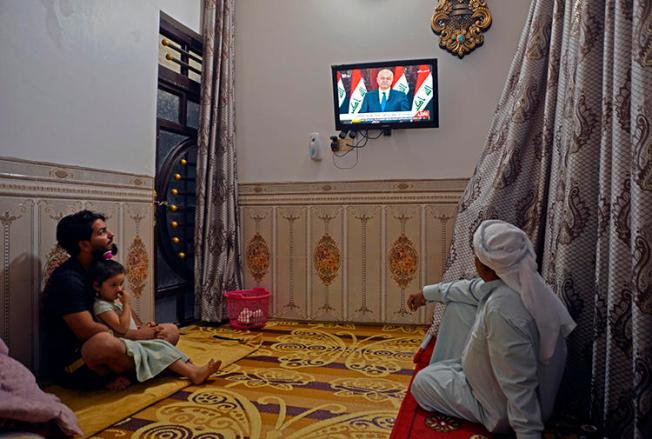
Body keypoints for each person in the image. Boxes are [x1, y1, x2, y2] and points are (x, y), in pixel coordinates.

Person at [406, 220, 576, 439]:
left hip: (502, 409)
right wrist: (426, 294)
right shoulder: (524, 284)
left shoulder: (502, 310)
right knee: (459, 305)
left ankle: (462, 381)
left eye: (476, 256)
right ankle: (460, 372)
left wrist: (529, 432)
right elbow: (470, 289)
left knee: (422, 383)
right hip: (503, 381)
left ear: (485, 266)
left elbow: (520, 383)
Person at [43, 210, 180, 390]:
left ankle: (139, 369)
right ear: (84, 244)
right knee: (103, 344)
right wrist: (136, 336)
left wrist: (141, 328)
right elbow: (87, 331)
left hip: (118, 339)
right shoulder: (68, 280)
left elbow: (118, 305)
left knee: (170, 330)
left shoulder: (100, 269)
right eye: (101, 232)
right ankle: (157, 366)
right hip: (80, 359)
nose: (110, 235)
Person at [91, 259, 221, 384]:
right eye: (113, 285)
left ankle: (194, 368)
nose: (119, 289)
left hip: (133, 339)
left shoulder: (114, 301)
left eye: (121, 284)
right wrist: (126, 304)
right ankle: (192, 373)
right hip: (126, 345)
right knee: (159, 348)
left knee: (162, 343)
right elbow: (122, 328)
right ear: (97, 286)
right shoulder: (101, 306)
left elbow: (132, 323)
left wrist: (144, 327)